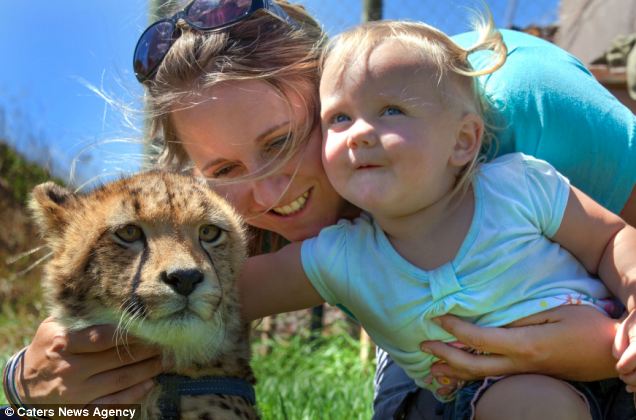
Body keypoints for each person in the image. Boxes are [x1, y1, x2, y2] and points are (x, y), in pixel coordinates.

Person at [3, 0, 635, 418]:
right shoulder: (238, 234)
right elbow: (186, 307)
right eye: (223, 171)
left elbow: (616, 242)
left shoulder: (520, 102)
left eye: (282, 142)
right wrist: (22, 382)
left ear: (332, 90)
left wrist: (607, 348)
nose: (270, 194)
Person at [234, 16, 636, 419]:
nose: (358, 133)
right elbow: (230, 292)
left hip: (617, 356)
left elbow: (609, 240)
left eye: (391, 110)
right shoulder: (341, 256)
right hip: (504, 391)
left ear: (462, 141)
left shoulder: (517, 185)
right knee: (529, 405)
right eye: (339, 118)